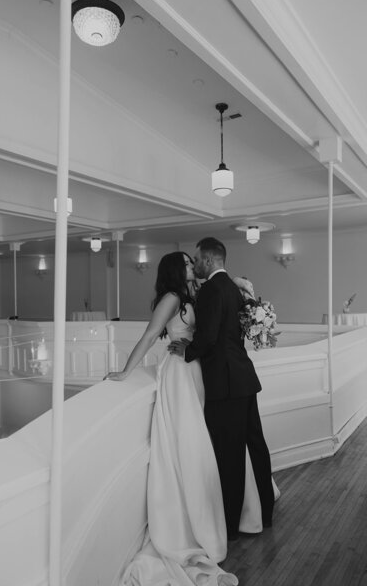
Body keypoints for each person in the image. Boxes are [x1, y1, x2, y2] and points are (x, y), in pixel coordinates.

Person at [104, 251, 239, 585]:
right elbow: (151, 334)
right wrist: (125, 371)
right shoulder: (171, 298)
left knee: (198, 440)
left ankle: (204, 517)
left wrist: (239, 284)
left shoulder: (193, 295)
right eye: (188, 264)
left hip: (195, 371)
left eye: (194, 262)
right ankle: (187, 522)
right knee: (187, 440)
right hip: (179, 373)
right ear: (177, 271)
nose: (194, 266)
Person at [169, 237, 275, 540]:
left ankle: (228, 526)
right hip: (243, 378)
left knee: (229, 457)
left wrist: (187, 350)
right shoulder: (232, 288)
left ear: (210, 261)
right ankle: (264, 511)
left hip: (225, 385)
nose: (196, 264)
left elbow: (210, 337)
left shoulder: (212, 291)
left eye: (198, 259)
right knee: (256, 446)